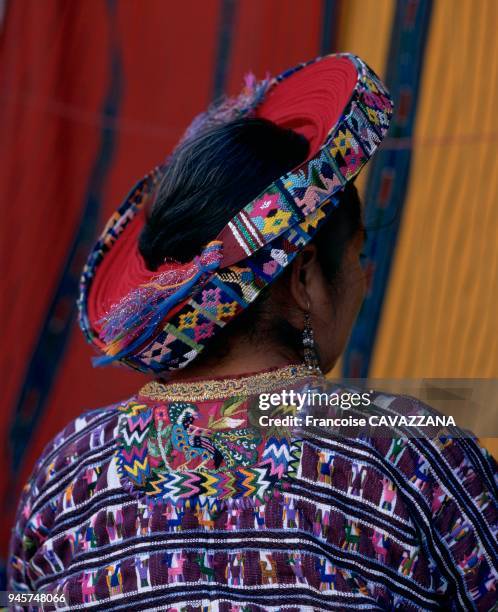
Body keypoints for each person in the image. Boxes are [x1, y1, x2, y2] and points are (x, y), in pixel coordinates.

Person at [8, 54, 497, 611]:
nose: (366, 278)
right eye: (359, 254)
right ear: (306, 276)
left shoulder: (68, 476)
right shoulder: (410, 456)